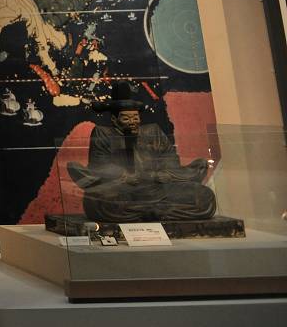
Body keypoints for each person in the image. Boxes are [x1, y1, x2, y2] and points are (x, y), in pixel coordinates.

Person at [66, 81, 215, 222]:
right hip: (125, 190)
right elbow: (99, 165)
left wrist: (164, 174)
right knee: (99, 200)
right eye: (126, 119)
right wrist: (123, 176)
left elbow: (170, 159)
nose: (132, 122)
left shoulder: (153, 131)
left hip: (158, 187)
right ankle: (160, 211)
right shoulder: (103, 133)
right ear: (114, 120)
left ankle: (147, 211)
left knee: (204, 196)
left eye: (135, 118)